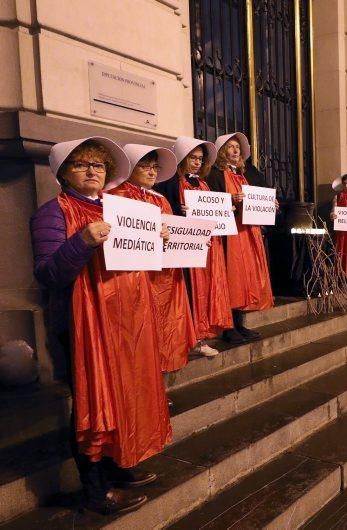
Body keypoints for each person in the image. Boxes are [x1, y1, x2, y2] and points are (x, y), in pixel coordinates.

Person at [30, 137, 171, 515]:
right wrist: (82, 241)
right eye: (81, 164)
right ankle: (95, 491)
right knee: (94, 401)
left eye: (98, 165)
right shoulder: (52, 212)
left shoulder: (120, 207)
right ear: (63, 173)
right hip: (82, 324)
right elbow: (48, 274)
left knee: (125, 392)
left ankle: (117, 464)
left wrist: (158, 239)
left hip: (127, 320)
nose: (92, 170)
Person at [108, 145, 199, 370]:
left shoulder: (160, 199)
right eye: (145, 167)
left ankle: (163, 369)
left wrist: (194, 240)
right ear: (129, 167)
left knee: (166, 323)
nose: (152, 172)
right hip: (135, 276)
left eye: (155, 167)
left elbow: (173, 233)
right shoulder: (114, 196)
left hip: (165, 275)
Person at [156, 137, 235, 350]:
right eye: (193, 157)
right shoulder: (170, 183)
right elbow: (165, 213)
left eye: (200, 159)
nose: (198, 162)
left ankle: (203, 333)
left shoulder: (203, 183)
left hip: (209, 245)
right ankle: (192, 337)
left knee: (208, 287)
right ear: (182, 158)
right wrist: (179, 212)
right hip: (185, 245)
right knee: (191, 289)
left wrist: (226, 212)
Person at [207, 132, 274, 341]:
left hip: (246, 232)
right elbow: (209, 203)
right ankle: (228, 327)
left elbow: (256, 201)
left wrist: (270, 206)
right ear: (222, 151)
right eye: (231, 146)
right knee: (232, 276)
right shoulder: (214, 174)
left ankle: (240, 323)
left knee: (245, 277)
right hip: (229, 235)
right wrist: (230, 200)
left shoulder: (244, 174)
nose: (236, 150)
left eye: (238, 147)